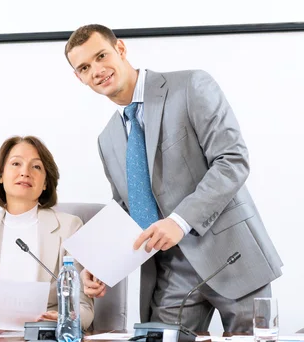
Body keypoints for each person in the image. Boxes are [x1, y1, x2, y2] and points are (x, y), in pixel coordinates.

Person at [64, 24, 283, 332]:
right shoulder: (107, 139)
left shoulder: (191, 85)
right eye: (85, 67)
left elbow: (231, 159)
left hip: (231, 257)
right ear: (79, 77)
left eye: (101, 56)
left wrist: (179, 221)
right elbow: (127, 208)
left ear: (121, 50)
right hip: (169, 275)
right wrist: (99, 264)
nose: (97, 70)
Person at [0, 136, 94, 330]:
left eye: (36, 167)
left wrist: (62, 318)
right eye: (16, 163)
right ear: (0, 176)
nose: (25, 172)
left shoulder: (70, 228)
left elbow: (84, 308)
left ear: (46, 183)